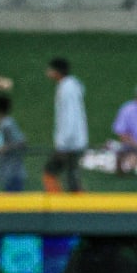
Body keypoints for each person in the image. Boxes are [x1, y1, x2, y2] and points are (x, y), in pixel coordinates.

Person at [45, 57, 88, 193]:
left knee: (50, 172)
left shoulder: (66, 89)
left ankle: (58, 205)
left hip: (70, 143)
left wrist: (62, 145)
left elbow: (69, 117)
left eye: (50, 69)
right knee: (72, 176)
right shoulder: (70, 87)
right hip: (74, 141)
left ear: (57, 72)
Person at [0, 95, 27, 192]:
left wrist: (6, 148)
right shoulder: (1, 125)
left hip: (13, 171)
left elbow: (21, 142)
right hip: (6, 171)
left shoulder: (8, 124)